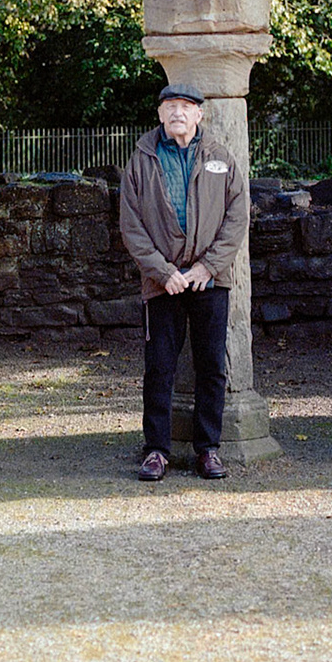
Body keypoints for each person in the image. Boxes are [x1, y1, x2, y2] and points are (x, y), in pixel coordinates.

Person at [118, 82, 249, 482]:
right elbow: (131, 224)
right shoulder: (141, 161)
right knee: (159, 367)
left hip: (210, 280)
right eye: (170, 106)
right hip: (163, 283)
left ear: (199, 114)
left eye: (186, 106)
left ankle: (208, 449)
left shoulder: (221, 158)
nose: (177, 112)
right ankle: (157, 450)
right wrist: (164, 271)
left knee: (212, 365)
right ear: (159, 115)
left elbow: (236, 217)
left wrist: (206, 268)